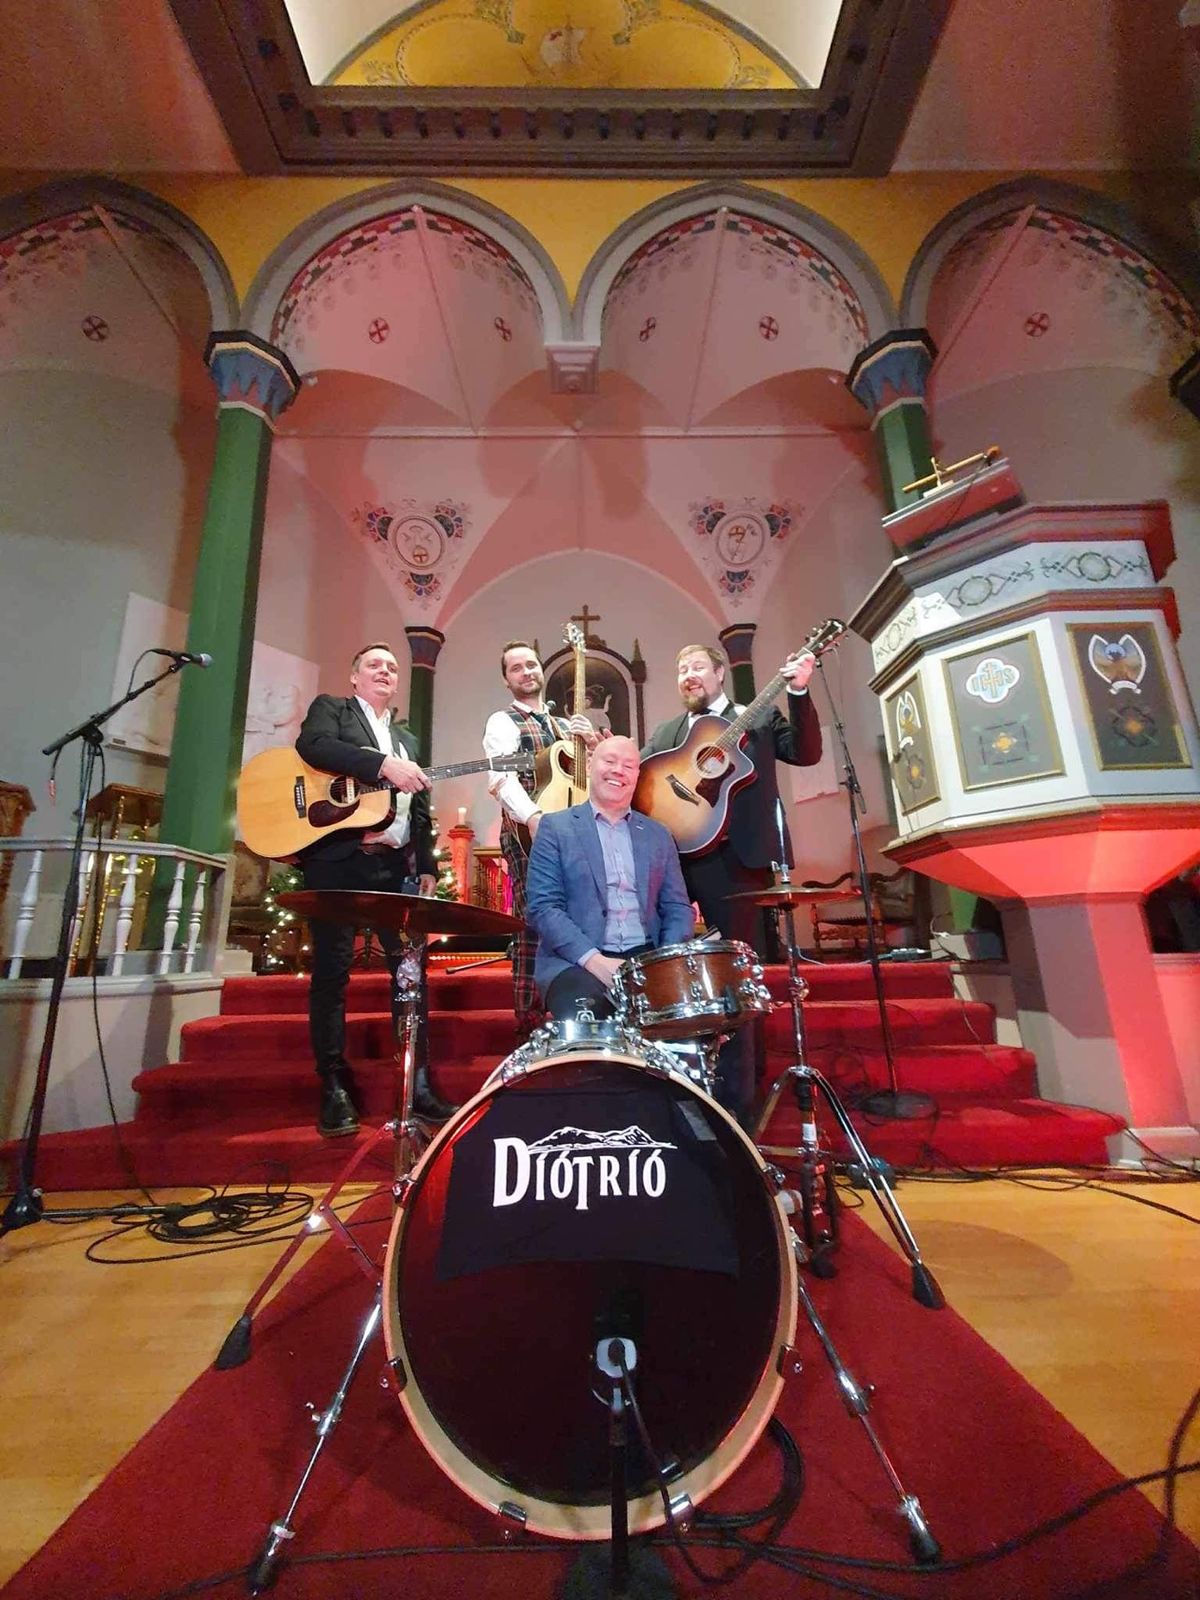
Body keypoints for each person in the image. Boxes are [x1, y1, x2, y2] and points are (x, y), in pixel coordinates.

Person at [640, 643, 822, 1119]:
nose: (688, 674)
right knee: (664, 966)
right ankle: (674, 1078)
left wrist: (799, 691)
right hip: (677, 861)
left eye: (698, 666)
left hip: (739, 861)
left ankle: (740, 1097)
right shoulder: (667, 733)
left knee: (739, 977)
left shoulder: (756, 718)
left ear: (720, 673)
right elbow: (640, 779)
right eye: (681, 668)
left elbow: (806, 752)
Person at [295, 641, 456, 1137]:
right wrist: (382, 766)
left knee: (410, 976)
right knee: (331, 972)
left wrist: (427, 863)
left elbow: (420, 806)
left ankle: (417, 1083)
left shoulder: (406, 739)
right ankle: (333, 1085)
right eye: (374, 664)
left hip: (393, 868)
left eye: (391, 666)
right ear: (355, 676)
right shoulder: (333, 710)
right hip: (336, 862)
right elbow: (313, 747)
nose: (385, 671)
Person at [525, 737, 695, 1021]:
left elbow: (677, 907)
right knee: (591, 1020)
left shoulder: (658, 835)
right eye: (610, 761)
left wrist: (665, 962)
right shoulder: (555, 828)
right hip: (576, 961)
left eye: (629, 766)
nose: (618, 770)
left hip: (647, 957)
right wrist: (594, 961)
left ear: (637, 776)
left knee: (690, 1020)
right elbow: (544, 908)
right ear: (589, 766)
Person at [482, 639, 599, 1040]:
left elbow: (590, 779)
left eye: (531, 664)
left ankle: (578, 1009)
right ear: (506, 680)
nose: (527, 672)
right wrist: (533, 818)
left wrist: (592, 744)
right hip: (529, 833)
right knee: (534, 922)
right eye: (516, 668)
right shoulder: (503, 722)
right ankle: (530, 1024)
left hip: (576, 831)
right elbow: (500, 778)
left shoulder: (565, 726)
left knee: (581, 918)